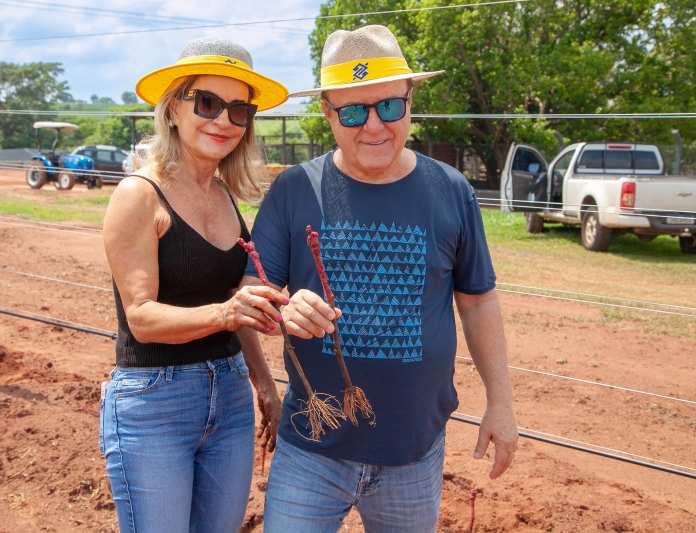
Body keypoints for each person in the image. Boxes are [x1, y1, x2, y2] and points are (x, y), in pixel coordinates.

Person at [242, 25, 518, 532]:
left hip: (414, 454)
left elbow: (478, 300)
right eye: (352, 111)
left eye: (389, 106)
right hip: (312, 450)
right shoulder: (293, 190)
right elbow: (247, 294)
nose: (373, 126)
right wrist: (283, 308)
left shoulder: (451, 191)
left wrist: (500, 403)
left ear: (410, 101)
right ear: (327, 114)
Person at [100, 37, 290, 533]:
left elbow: (239, 306)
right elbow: (141, 319)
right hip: (154, 401)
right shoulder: (139, 195)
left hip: (228, 399)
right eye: (207, 102)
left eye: (239, 110)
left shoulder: (225, 197)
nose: (222, 120)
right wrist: (228, 313)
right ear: (173, 109)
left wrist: (264, 383)